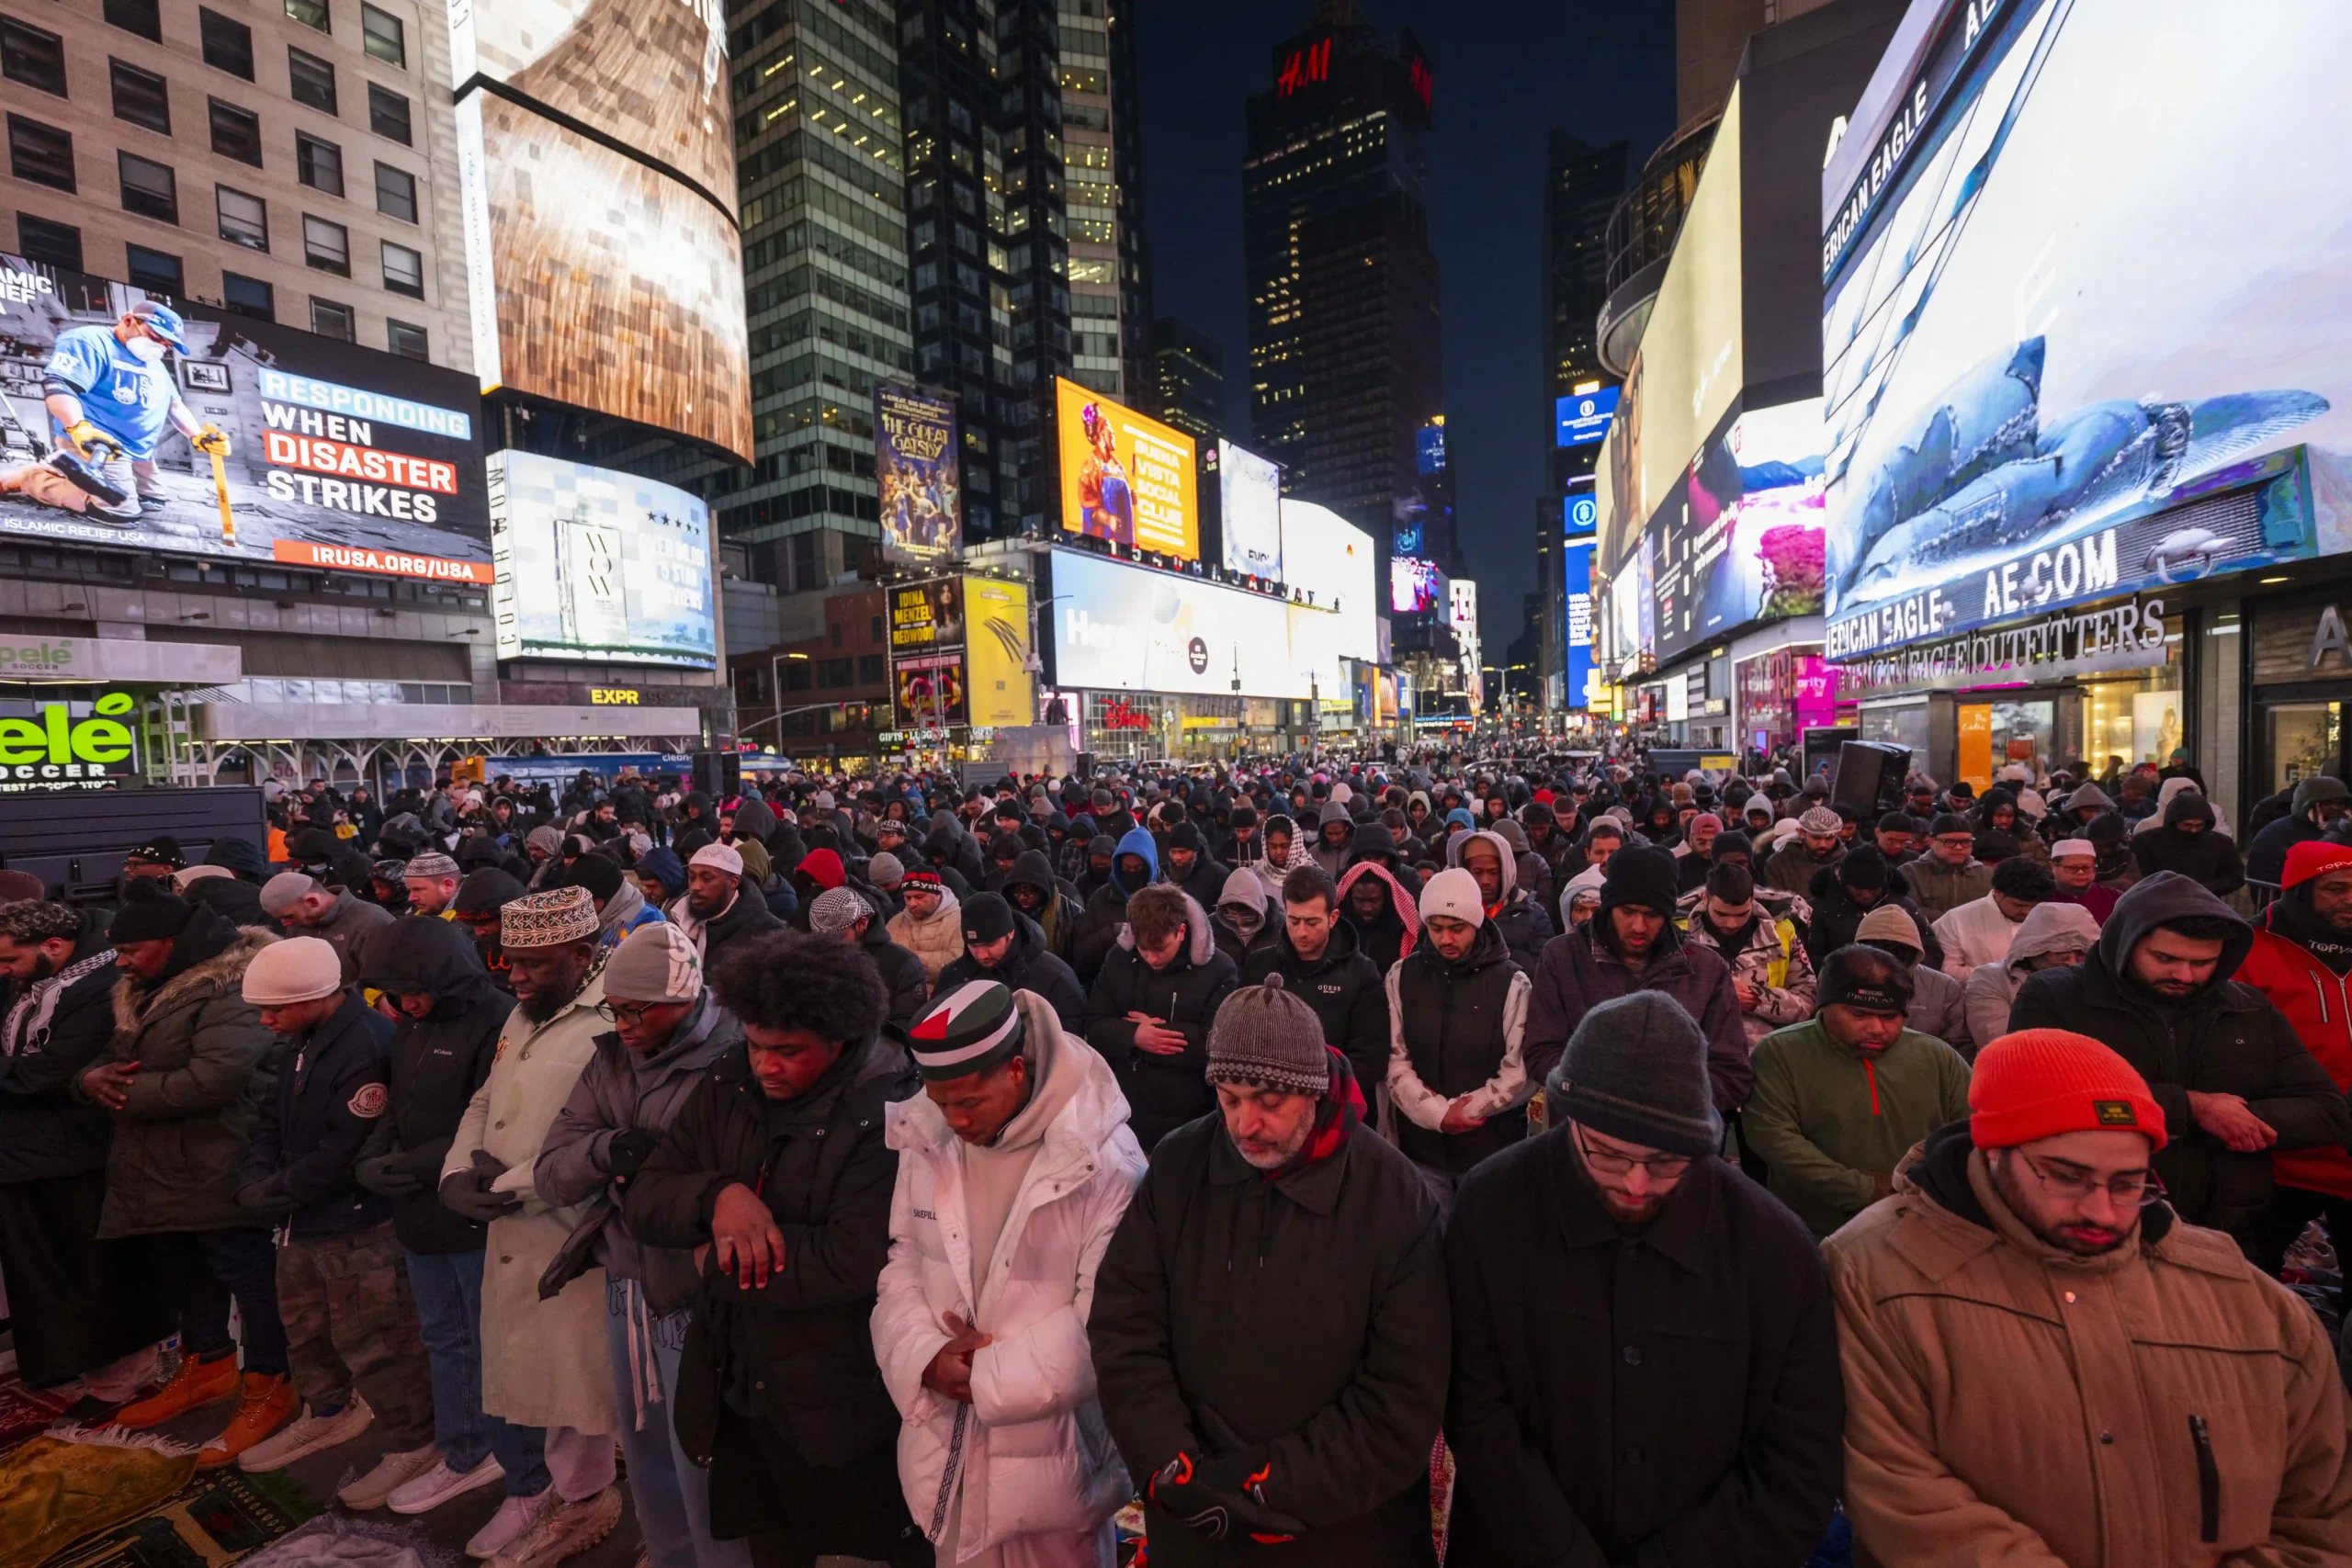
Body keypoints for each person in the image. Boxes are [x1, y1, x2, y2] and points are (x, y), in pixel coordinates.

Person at [1825, 1029, 2352, 1566]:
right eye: (2067, 1177)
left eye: (2128, 1183)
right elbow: (1908, 1498)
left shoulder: (2246, 1300)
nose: (2103, 1213)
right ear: (1994, 1152)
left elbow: (2325, 1508)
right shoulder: (1877, 1273)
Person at [1443, 991, 1845, 1567]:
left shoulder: (1775, 1250)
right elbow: (1474, 1410)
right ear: (1568, 1118)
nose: (1635, 1184)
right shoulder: (1490, 1208)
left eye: (1665, 1162)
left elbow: (1798, 1460)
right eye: (1607, 1155)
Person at [1089, 980, 1449, 1565]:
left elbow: (1403, 1394)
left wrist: (1269, 1484)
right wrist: (1168, 1461)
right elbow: (1124, 1326)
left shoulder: (1395, 1198)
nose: (1244, 1125)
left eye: (1267, 1101)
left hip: (1340, 1531)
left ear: (1311, 1091)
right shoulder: (1181, 1166)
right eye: (1229, 1099)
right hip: (1194, 1518)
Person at [623, 930, 928, 1568]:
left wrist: (707, 1261)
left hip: (848, 1411)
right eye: (757, 1046)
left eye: (789, 1052)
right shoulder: (730, 1081)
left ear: (840, 1039)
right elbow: (648, 1196)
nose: (767, 1066)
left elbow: (849, 1260)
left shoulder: (891, 1112)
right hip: (745, 1393)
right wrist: (717, 1197)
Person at [874, 980, 1145, 1567]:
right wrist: (925, 1358)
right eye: (942, 1103)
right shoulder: (928, 1136)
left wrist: (981, 1377)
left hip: (1054, 1469)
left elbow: (1112, 1319)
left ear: (1015, 1070)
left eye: (969, 1102)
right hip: (946, 1451)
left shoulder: (1102, 1161)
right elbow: (902, 1261)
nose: (956, 1120)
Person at [534, 922, 751, 1568]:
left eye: (637, 1010)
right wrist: (610, 1148)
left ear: (685, 1002)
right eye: (615, 1009)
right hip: (627, 1278)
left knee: (705, 1455)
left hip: (698, 1287)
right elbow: (553, 1168)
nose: (623, 1024)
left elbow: (734, 1187)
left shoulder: (733, 1061)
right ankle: (670, 1552)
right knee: (648, 1444)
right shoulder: (610, 1060)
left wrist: (657, 1179)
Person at [2008, 871, 2352, 1253]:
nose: (2184, 975)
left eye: (2203, 962)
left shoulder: (2248, 1007)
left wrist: (2240, 1119)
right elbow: (2035, 1098)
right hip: (2093, 1221)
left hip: (2231, 1232)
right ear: (2126, 943)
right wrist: (2192, 1107)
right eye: (2165, 958)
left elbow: (2327, 1111)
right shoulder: (2056, 997)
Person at [439, 887, 624, 1565]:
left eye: (533, 964)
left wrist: (509, 1180)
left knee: (584, 1382)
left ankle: (588, 1503)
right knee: (548, 1380)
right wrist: (456, 1172)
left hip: (577, 1224)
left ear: (582, 954)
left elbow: (614, 1131)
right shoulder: (526, 1011)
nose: (513, 976)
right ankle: (572, 1492)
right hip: (515, 1223)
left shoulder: (616, 1014)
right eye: (509, 961)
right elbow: (487, 1095)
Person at [82, 885, 296, 1461]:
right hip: (163, 1160)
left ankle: (271, 1384)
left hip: (222, 1156)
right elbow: (112, 1052)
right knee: (183, 1266)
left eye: (131, 950)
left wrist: (126, 1092)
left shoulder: (234, 985)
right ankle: (208, 1366)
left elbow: (218, 1076)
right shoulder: (145, 986)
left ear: (173, 943)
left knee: (244, 1275)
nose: (120, 962)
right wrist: (90, 1078)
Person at [230, 936, 437, 1499]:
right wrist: (256, 1179)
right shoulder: (303, 1036)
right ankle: (327, 1411)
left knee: (377, 1344)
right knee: (306, 1331)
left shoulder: (369, 1044)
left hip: (357, 1226)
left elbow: (346, 1149)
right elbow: (272, 1116)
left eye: (276, 1008)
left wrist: (276, 1192)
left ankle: (414, 1444)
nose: (266, 1020)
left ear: (319, 994)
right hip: (301, 1219)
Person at [351, 914, 537, 1520]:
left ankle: (486, 1453)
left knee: (483, 1341)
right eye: (396, 992)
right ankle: (461, 1441)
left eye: (413, 987)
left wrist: (415, 1162)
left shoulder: (496, 1019)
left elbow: (491, 1120)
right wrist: (376, 1153)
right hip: (419, 1207)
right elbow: (396, 1099)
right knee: (442, 1335)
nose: (405, 1002)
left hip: (469, 1209)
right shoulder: (412, 1025)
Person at [0, 899, 167, 1397]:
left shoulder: (103, 987)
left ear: (53, 946)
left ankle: (116, 1370)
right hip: (22, 1148)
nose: (4, 972)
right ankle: (58, 1364)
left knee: (85, 1268)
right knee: (39, 1271)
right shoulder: (32, 980)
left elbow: (48, 1073)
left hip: (75, 1150)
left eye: (10, 961)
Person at [1742, 947, 1973, 1237]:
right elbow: (1773, 1137)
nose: (1876, 1028)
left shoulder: (1938, 1057)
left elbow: (1969, 1132)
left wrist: (1922, 1187)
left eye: (1890, 1016)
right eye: (1859, 1013)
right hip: (1812, 1230)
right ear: (1823, 1006)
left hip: (1920, 1227)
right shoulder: (1780, 1053)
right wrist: (1864, 1190)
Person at [1523, 847, 1749, 1117]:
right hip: (1585, 1131)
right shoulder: (1563, 957)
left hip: (1674, 1142)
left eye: (1651, 915)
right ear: (1608, 906)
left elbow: (1732, 1072)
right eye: (1628, 911)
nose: (1639, 926)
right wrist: (1602, 1086)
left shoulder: (1705, 969)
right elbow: (1541, 1051)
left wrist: (1670, 1098)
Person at [0, 299, 232, 523]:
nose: (160, 346)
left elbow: (174, 405)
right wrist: (79, 428)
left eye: (167, 344)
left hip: (138, 449)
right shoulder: (88, 341)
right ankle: (30, 479)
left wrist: (197, 435)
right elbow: (59, 386)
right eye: (155, 336)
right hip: (99, 443)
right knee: (119, 512)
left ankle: (64, 472)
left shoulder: (154, 362)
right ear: (129, 320)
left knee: (152, 501)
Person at [2239, 840, 2352, 1283]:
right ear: (2301, 891)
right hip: (2279, 1152)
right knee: (2253, 1277)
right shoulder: (2249, 948)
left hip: (2349, 1157)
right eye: (2336, 889)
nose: (2350, 901)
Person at [1385, 869, 1532, 1187]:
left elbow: (1521, 1069)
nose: (1445, 939)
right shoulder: (1401, 975)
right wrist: (1436, 1114)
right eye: (1436, 928)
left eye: (1457, 928)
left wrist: (1465, 1111)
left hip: (1493, 1151)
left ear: (1476, 924)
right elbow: (1394, 1058)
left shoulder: (1513, 983)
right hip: (1420, 1151)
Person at [1084, 884, 1238, 1152]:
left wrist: (1148, 1036)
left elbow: (1216, 1043)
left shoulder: (1219, 970)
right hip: (1124, 1107)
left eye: (1160, 948)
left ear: (1181, 931)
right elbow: (1094, 1024)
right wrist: (1133, 1036)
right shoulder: (1119, 959)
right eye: (1144, 949)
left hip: (1189, 1115)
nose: (1151, 958)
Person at [1239, 865, 1390, 1100]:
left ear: (1333, 918)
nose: (1301, 933)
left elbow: (1370, 1060)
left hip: (1334, 1107)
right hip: (1267, 1103)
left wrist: (1308, 1091)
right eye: (1294, 920)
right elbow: (1242, 1037)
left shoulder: (1362, 973)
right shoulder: (1259, 965)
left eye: (1312, 922)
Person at [1680, 862, 1816, 1045]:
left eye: (1741, 914)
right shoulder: (1679, 936)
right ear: (1705, 899)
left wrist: (1757, 999)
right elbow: (1658, 997)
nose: (1732, 924)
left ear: (1753, 900)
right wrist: (1716, 995)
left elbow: (1808, 1001)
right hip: (1698, 1051)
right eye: (1721, 914)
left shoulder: (1782, 932)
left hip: (1766, 1053)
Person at [933, 889, 1090, 1036]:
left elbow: (1067, 1040)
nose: (981, 955)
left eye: (990, 944)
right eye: (973, 946)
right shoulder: (953, 975)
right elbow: (934, 1028)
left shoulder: (1054, 977)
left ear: (1011, 934)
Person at [1957, 902, 2099, 1057]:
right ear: (2034, 950)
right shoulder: (1990, 980)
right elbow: (2004, 1047)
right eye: (2062, 955)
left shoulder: (2100, 981)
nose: (2072, 962)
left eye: (2080, 956)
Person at [810, 885, 931, 1029]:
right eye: (821, 939)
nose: (829, 946)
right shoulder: (812, 959)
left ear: (861, 924)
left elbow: (904, 1030)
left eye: (837, 938)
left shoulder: (903, 964)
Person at [1804, 846, 1942, 971]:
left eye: (1874, 889)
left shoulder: (1904, 906)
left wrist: (1902, 971)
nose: (1866, 895)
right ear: (1844, 883)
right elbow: (1811, 958)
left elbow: (1931, 951)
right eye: (1858, 889)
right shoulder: (1820, 908)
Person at [1930, 857, 2057, 982]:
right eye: (2019, 905)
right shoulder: (1955, 920)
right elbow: (1948, 971)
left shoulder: (2052, 916)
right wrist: (2005, 976)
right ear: (1998, 893)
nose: (2027, 912)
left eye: (2034, 906)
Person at [262, 870, 395, 983]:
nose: (285, 924)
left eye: (288, 916)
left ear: (313, 901)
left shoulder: (372, 922)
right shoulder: (299, 924)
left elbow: (381, 980)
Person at [1453, 829, 1555, 974]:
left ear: (1505, 872)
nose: (1485, 881)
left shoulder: (1534, 915)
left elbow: (1544, 970)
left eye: (1493, 873)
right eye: (1478, 872)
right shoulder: (1452, 912)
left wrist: (1497, 951)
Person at [667, 843, 784, 965]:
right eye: (692, 877)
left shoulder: (766, 931)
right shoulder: (678, 917)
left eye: (707, 879)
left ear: (733, 882)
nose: (695, 887)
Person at [2132, 789, 2245, 897]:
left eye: (2199, 825)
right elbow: (2141, 876)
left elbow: (2235, 877)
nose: (2193, 830)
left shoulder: (2221, 843)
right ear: (2174, 821)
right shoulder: (2147, 841)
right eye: (2187, 825)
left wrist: (2203, 888)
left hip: (2205, 904)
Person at [2248, 776, 2352, 887]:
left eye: (2339, 803)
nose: (2335, 808)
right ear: (2308, 806)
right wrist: (2333, 835)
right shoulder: (2276, 833)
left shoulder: (2345, 829)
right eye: (2327, 804)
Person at [1900, 814, 1992, 920]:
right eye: (1949, 841)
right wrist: (1955, 921)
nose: (1958, 847)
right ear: (1931, 842)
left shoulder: (1987, 875)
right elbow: (1908, 911)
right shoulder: (1910, 873)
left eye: (1966, 842)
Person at [888, 867, 967, 987]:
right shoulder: (896, 922)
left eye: (919, 897)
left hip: (943, 997)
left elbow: (960, 964)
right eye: (907, 898)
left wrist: (913, 961)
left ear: (937, 895)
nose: (912, 904)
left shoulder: (959, 921)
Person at [1762, 806, 1844, 895]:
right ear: (1802, 833)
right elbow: (1774, 902)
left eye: (1829, 838)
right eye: (1816, 837)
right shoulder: (1778, 863)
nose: (1822, 844)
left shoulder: (1846, 861)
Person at [2047, 836, 2120, 923]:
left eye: (2087, 867)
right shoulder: (2039, 898)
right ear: (2053, 867)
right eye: (2072, 868)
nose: (2080, 872)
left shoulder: (2115, 899)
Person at [403, 852, 465, 918]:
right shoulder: (412, 917)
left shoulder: (473, 922)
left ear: (447, 885)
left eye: (418, 889)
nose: (411, 898)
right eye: (410, 890)